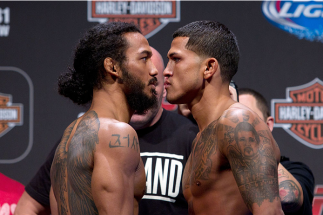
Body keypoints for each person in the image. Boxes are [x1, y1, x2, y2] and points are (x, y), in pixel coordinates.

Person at [14, 46, 198, 215]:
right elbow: (29, 204)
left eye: (152, 83)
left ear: (164, 88)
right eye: (138, 83)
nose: (144, 90)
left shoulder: (189, 136)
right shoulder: (78, 138)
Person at [163, 20, 284, 214]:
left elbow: (270, 212)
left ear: (209, 68)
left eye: (176, 59)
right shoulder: (201, 137)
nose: (166, 71)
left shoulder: (238, 122)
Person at [50, 22, 159, 215]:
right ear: (112, 67)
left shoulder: (68, 138)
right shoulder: (116, 133)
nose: (154, 70)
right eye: (144, 58)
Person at [239, 88, 315, 215]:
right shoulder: (213, 176)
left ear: (268, 125)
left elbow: (288, 198)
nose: (237, 126)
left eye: (247, 117)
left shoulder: (296, 170)